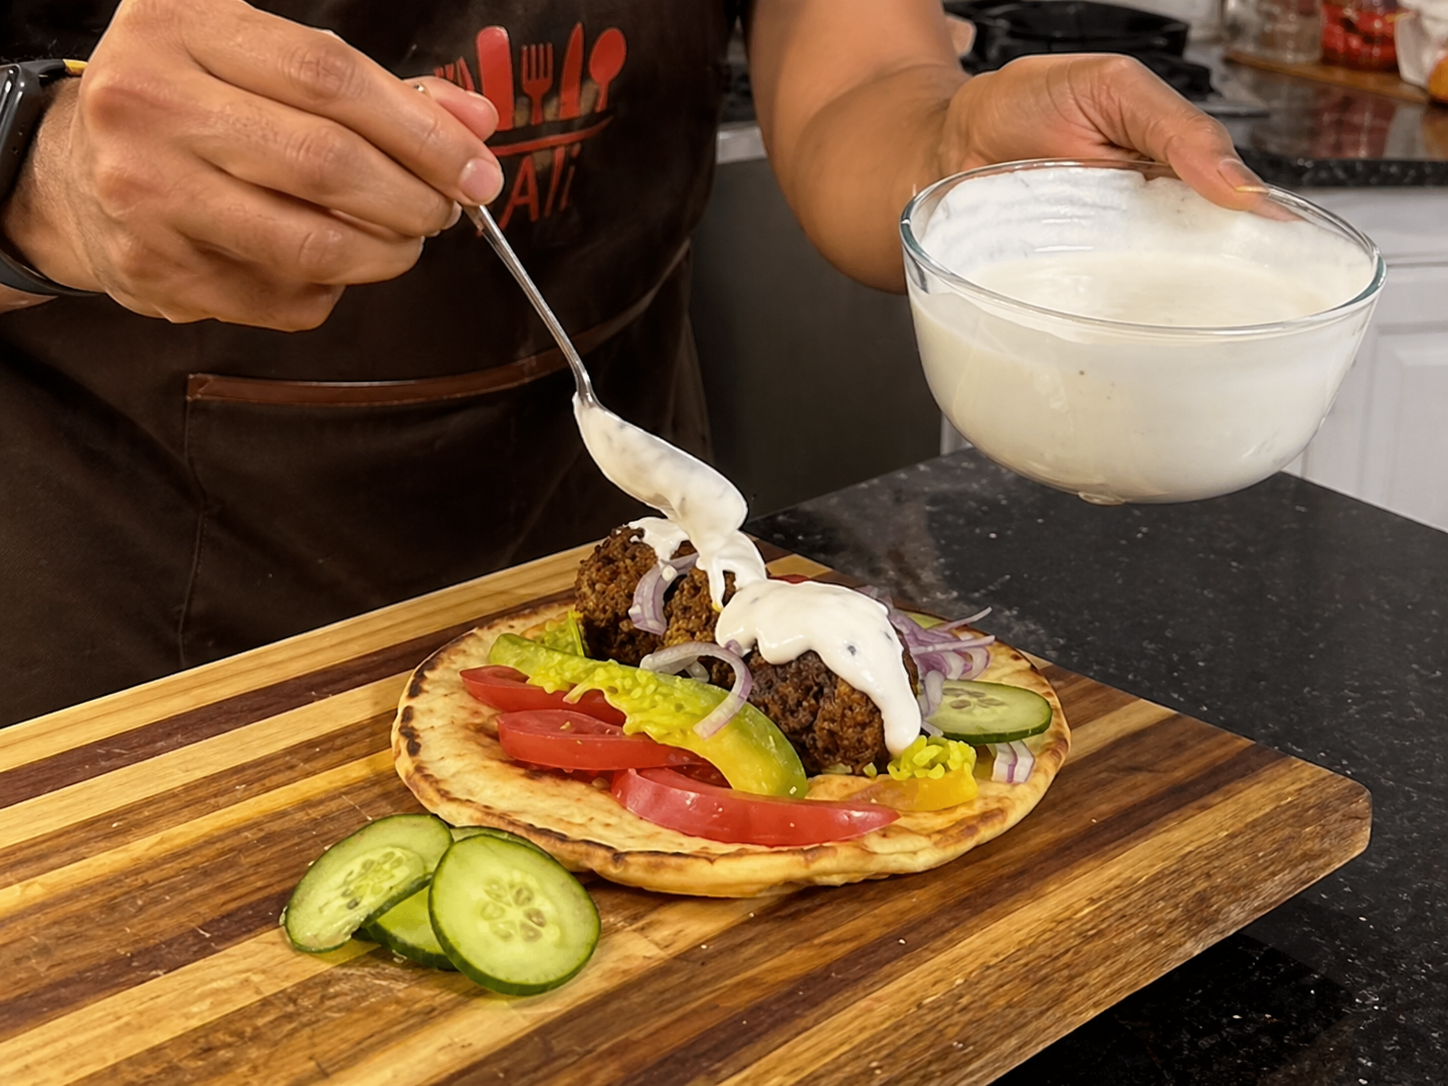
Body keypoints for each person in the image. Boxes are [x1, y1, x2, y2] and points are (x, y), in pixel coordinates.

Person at [0, 0, 1265, 727]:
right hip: (118, 631)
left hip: (631, 584)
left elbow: (861, 79)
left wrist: (946, 147)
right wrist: (34, 162)